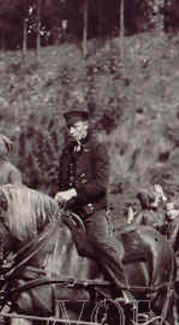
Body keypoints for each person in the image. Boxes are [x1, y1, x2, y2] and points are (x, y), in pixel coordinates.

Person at [55, 109, 132, 304]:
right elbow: (62, 183)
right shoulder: (67, 152)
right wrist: (59, 195)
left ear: (85, 126)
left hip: (93, 210)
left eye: (74, 127)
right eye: (68, 127)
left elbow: (100, 185)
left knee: (100, 243)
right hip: (70, 211)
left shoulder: (98, 148)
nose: (71, 131)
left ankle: (122, 289)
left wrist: (73, 192)